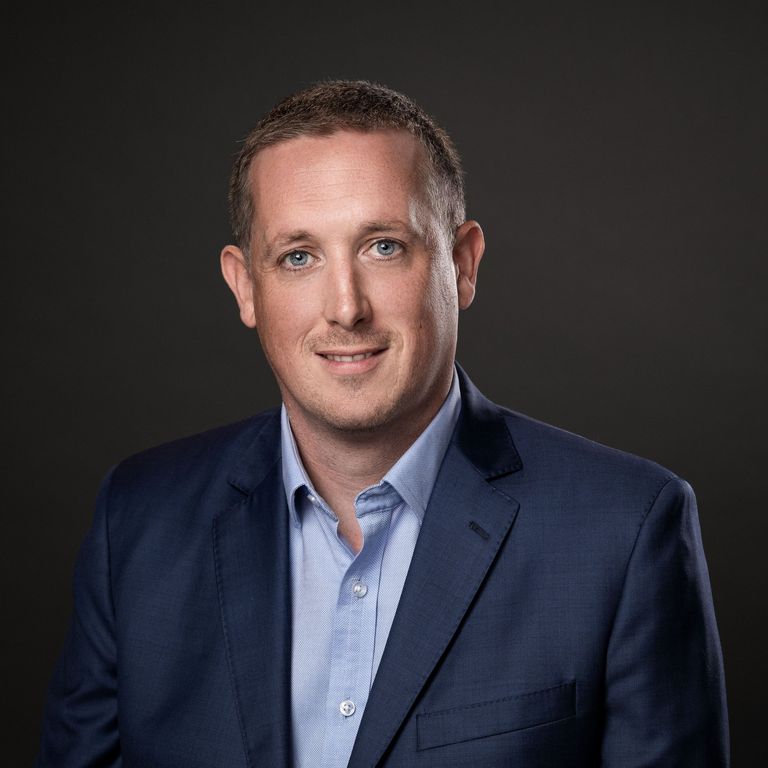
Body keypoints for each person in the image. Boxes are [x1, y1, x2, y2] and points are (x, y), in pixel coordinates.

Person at [37, 80, 729, 767]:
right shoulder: (138, 521)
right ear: (245, 286)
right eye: (299, 256)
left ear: (462, 265)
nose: (346, 308)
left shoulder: (623, 531)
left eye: (384, 247)